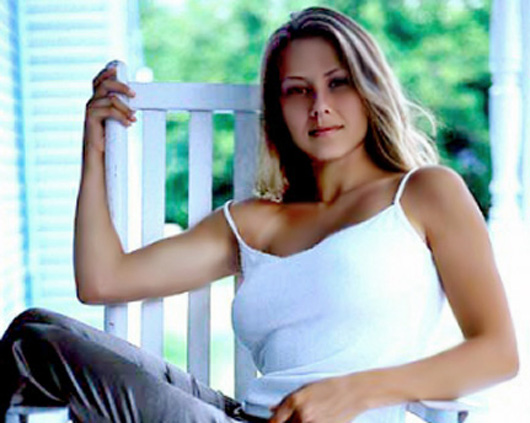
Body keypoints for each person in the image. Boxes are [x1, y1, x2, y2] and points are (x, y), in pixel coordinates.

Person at [0, 6, 518, 423]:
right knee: (33, 331)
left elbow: (497, 352)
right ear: (279, 108)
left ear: (369, 89)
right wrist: (93, 149)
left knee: (35, 343)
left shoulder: (425, 193)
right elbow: (101, 281)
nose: (319, 105)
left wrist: (356, 391)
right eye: (298, 90)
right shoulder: (253, 223)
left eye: (338, 82)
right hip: (243, 415)